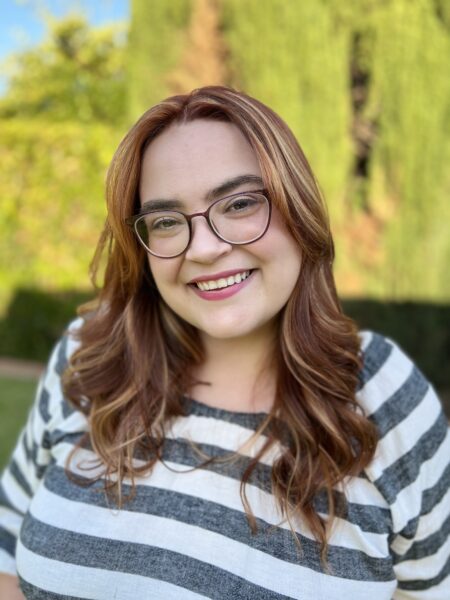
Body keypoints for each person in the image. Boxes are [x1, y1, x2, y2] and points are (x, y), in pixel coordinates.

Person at [0, 86, 449, 600]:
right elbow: (7, 556)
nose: (207, 248)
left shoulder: (383, 394)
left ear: (297, 209)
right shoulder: (90, 357)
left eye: (238, 203)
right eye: (167, 221)